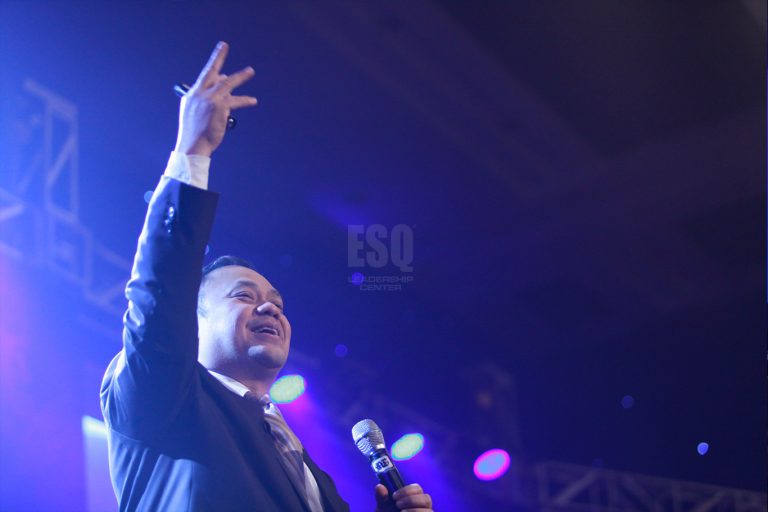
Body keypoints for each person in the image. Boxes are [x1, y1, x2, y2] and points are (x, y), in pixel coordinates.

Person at [100, 41, 434, 512]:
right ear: (192, 321)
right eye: (243, 295)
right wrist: (193, 148)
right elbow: (162, 290)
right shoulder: (165, 397)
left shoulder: (308, 468)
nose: (269, 307)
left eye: (276, 301)